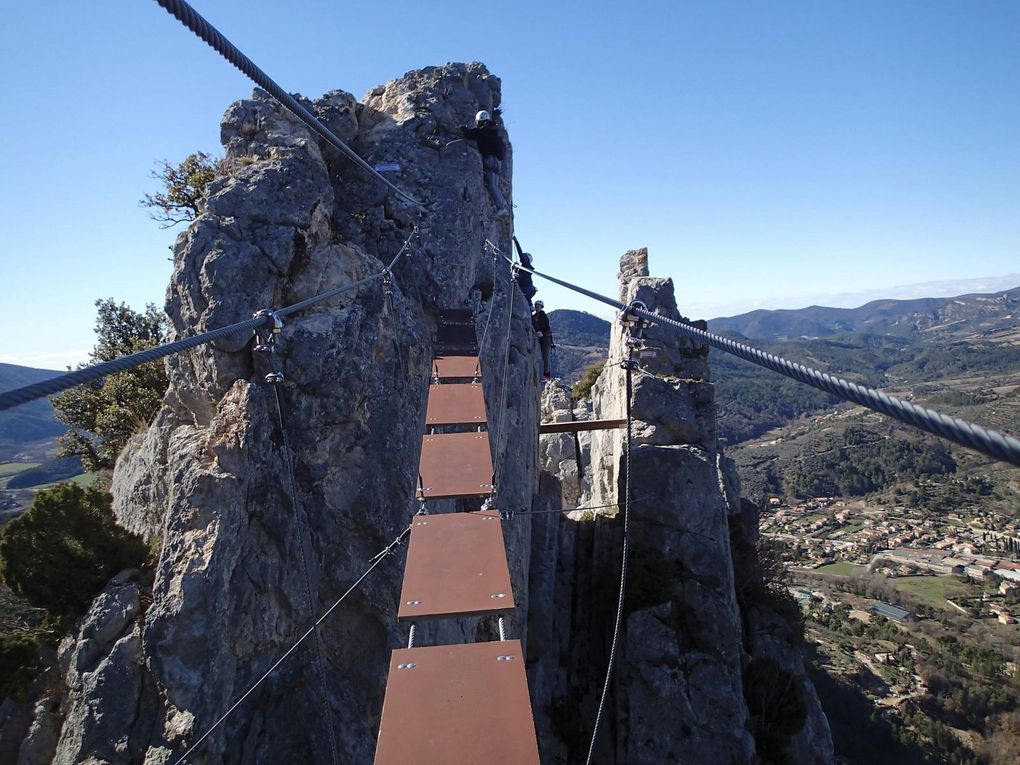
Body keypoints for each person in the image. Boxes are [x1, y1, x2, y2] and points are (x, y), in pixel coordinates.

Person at [461, 110, 509, 217]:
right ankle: (502, 205)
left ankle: (501, 208)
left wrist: (462, 129)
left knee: (492, 186)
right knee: (495, 185)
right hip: (497, 162)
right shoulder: (493, 130)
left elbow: (470, 134)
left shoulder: (484, 130)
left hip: (490, 161)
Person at [512, 236, 538, 305]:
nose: (523, 257)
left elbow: (520, 254)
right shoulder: (522, 268)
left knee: (525, 292)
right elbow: (519, 277)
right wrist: (515, 268)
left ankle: (530, 305)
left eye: (524, 256)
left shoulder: (527, 266)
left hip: (527, 289)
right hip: (526, 288)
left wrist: (516, 242)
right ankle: (530, 306)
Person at [532, 300, 553, 380]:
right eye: (536, 307)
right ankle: (543, 374)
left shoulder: (543, 316)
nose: (537, 308)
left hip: (545, 338)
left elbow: (544, 327)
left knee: (545, 356)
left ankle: (547, 375)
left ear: (541, 307)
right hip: (540, 337)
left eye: (538, 307)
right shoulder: (534, 316)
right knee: (541, 356)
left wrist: (538, 330)